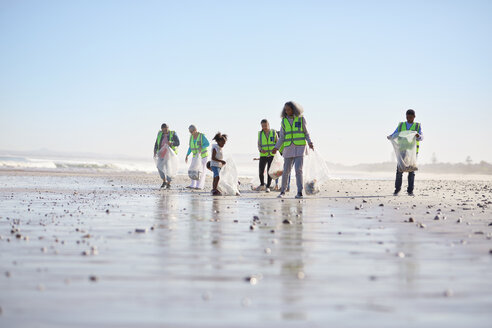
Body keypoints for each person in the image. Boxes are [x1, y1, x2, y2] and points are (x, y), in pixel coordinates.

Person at [272, 101, 314, 199]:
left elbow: (306, 133)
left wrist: (310, 142)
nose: (287, 111)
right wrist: (276, 147)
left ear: (294, 109)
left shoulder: (301, 119)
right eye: (285, 110)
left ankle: (299, 192)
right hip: (288, 149)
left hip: (300, 148)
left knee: (298, 171)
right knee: (286, 171)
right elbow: (282, 137)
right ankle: (282, 191)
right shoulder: (284, 121)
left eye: (289, 109)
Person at [387, 109, 423, 196]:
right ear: (406, 116)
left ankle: (410, 190)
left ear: (414, 117)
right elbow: (396, 133)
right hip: (402, 150)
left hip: (412, 152)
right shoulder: (401, 125)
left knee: (411, 170)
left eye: (411, 117)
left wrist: (418, 136)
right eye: (407, 117)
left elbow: (421, 137)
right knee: (400, 170)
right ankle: (397, 189)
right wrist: (390, 136)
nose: (409, 119)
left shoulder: (417, 126)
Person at [153, 123, 180, 189]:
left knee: (168, 169)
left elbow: (178, 143)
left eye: (166, 129)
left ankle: (168, 183)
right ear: (161, 129)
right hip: (161, 154)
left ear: (168, 128)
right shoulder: (160, 134)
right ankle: (164, 181)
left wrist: (171, 143)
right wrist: (155, 150)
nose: (165, 130)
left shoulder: (173, 133)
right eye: (163, 129)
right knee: (159, 168)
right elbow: (156, 143)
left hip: (169, 155)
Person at [255, 119, 278, 192]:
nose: (264, 127)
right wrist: (261, 150)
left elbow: (277, 142)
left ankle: (268, 186)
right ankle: (262, 185)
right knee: (261, 171)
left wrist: (276, 149)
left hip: (271, 155)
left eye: (265, 125)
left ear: (268, 125)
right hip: (263, 155)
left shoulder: (274, 132)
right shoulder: (260, 134)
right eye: (262, 126)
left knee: (269, 171)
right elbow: (259, 144)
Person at [185, 125, 209, 190]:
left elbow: (207, 144)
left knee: (201, 171)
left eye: (192, 131)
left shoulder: (201, 136)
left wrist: (202, 147)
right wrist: (187, 155)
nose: (191, 133)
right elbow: (190, 147)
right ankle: (193, 185)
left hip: (203, 157)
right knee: (193, 170)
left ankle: (199, 186)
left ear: (195, 130)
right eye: (190, 132)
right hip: (195, 157)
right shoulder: (191, 137)